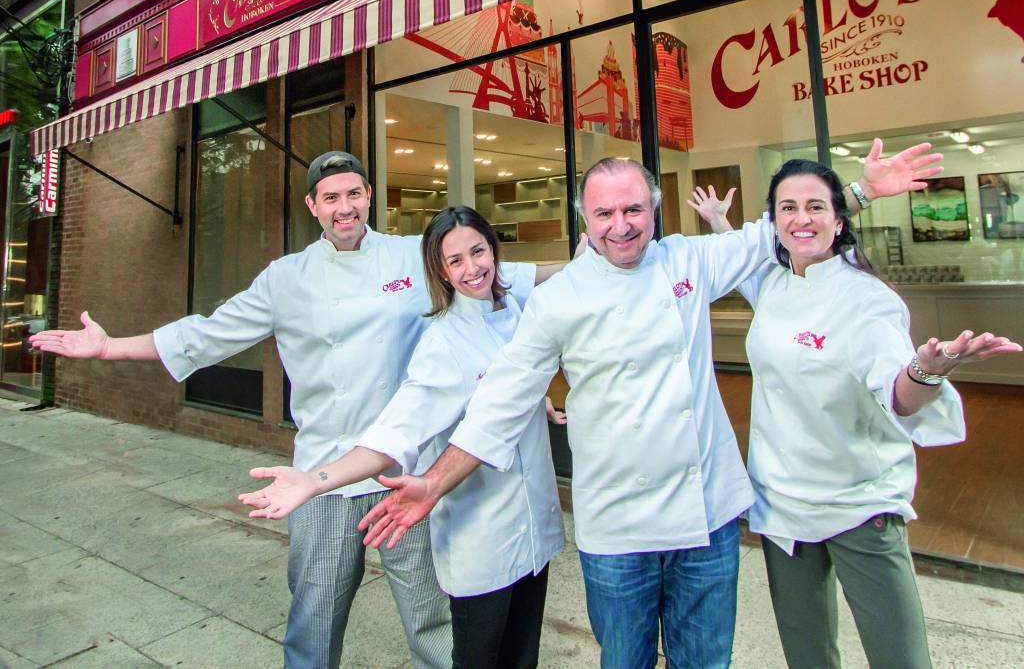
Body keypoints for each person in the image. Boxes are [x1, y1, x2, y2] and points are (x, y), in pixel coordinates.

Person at [354, 141, 943, 669]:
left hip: (706, 515)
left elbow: (780, 232)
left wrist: (860, 192)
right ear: (586, 219)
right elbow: (499, 404)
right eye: (604, 214)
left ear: (654, 210)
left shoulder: (688, 261)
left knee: (705, 660)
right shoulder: (560, 299)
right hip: (618, 528)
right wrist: (434, 482)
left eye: (633, 210)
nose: (621, 226)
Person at [29, 151, 559, 669]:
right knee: (315, 619)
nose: (344, 208)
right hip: (323, 475)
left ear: (369, 196)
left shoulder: (411, 257)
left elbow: (509, 278)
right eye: (331, 198)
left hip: (406, 469)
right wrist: (110, 347)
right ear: (312, 206)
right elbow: (208, 335)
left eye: (354, 194)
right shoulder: (286, 278)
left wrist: (596, 260)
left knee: (433, 621)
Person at [688, 161, 1022, 669]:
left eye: (816, 207)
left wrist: (927, 371)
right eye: (788, 208)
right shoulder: (772, 283)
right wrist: (719, 222)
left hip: (859, 505)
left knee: (900, 658)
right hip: (782, 506)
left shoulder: (867, 300)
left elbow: (898, 396)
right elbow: (743, 260)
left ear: (839, 221)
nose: (802, 218)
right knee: (808, 655)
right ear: (774, 222)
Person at [237, 205, 566, 669]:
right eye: (455, 261)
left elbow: (516, 377)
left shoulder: (516, 311)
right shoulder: (443, 342)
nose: (472, 268)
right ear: (442, 272)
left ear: (494, 251)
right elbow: (396, 431)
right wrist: (315, 480)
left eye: (478, 252)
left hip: (536, 534)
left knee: (522, 658)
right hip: (483, 542)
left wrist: (538, 400)